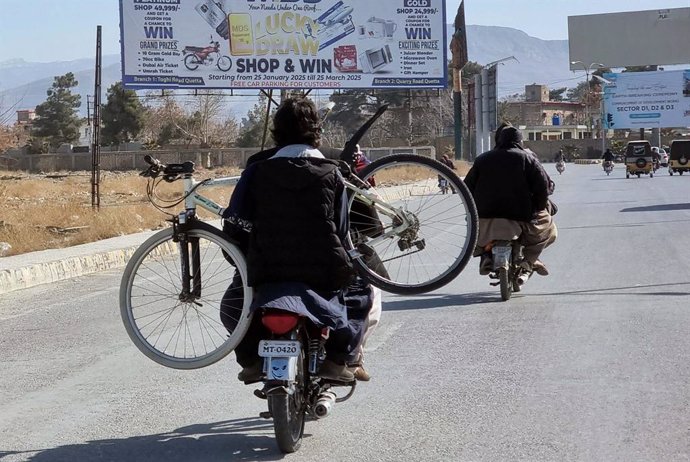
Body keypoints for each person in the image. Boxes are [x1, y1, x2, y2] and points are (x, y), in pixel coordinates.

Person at [220, 97, 373, 383]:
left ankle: (252, 361)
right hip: (323, 272)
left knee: (232, 305)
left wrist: (243, 259)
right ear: (317, 132)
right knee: (360, 293)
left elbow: (234, 226)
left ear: (276, 132)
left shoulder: (256, 171)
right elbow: (342, 231)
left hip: (266, 272)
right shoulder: (332, 173)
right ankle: (339, 360)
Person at [464, 123, 557, 277]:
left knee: (471, 229)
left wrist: (475, 211)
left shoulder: (482, 159)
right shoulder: (528, 158)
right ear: (520, 142)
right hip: (522, 218)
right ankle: (528, 261)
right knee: (550, 230)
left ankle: (485, 256)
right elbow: (543, 187)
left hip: (485, 219)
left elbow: (466, 188)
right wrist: (538, 208)